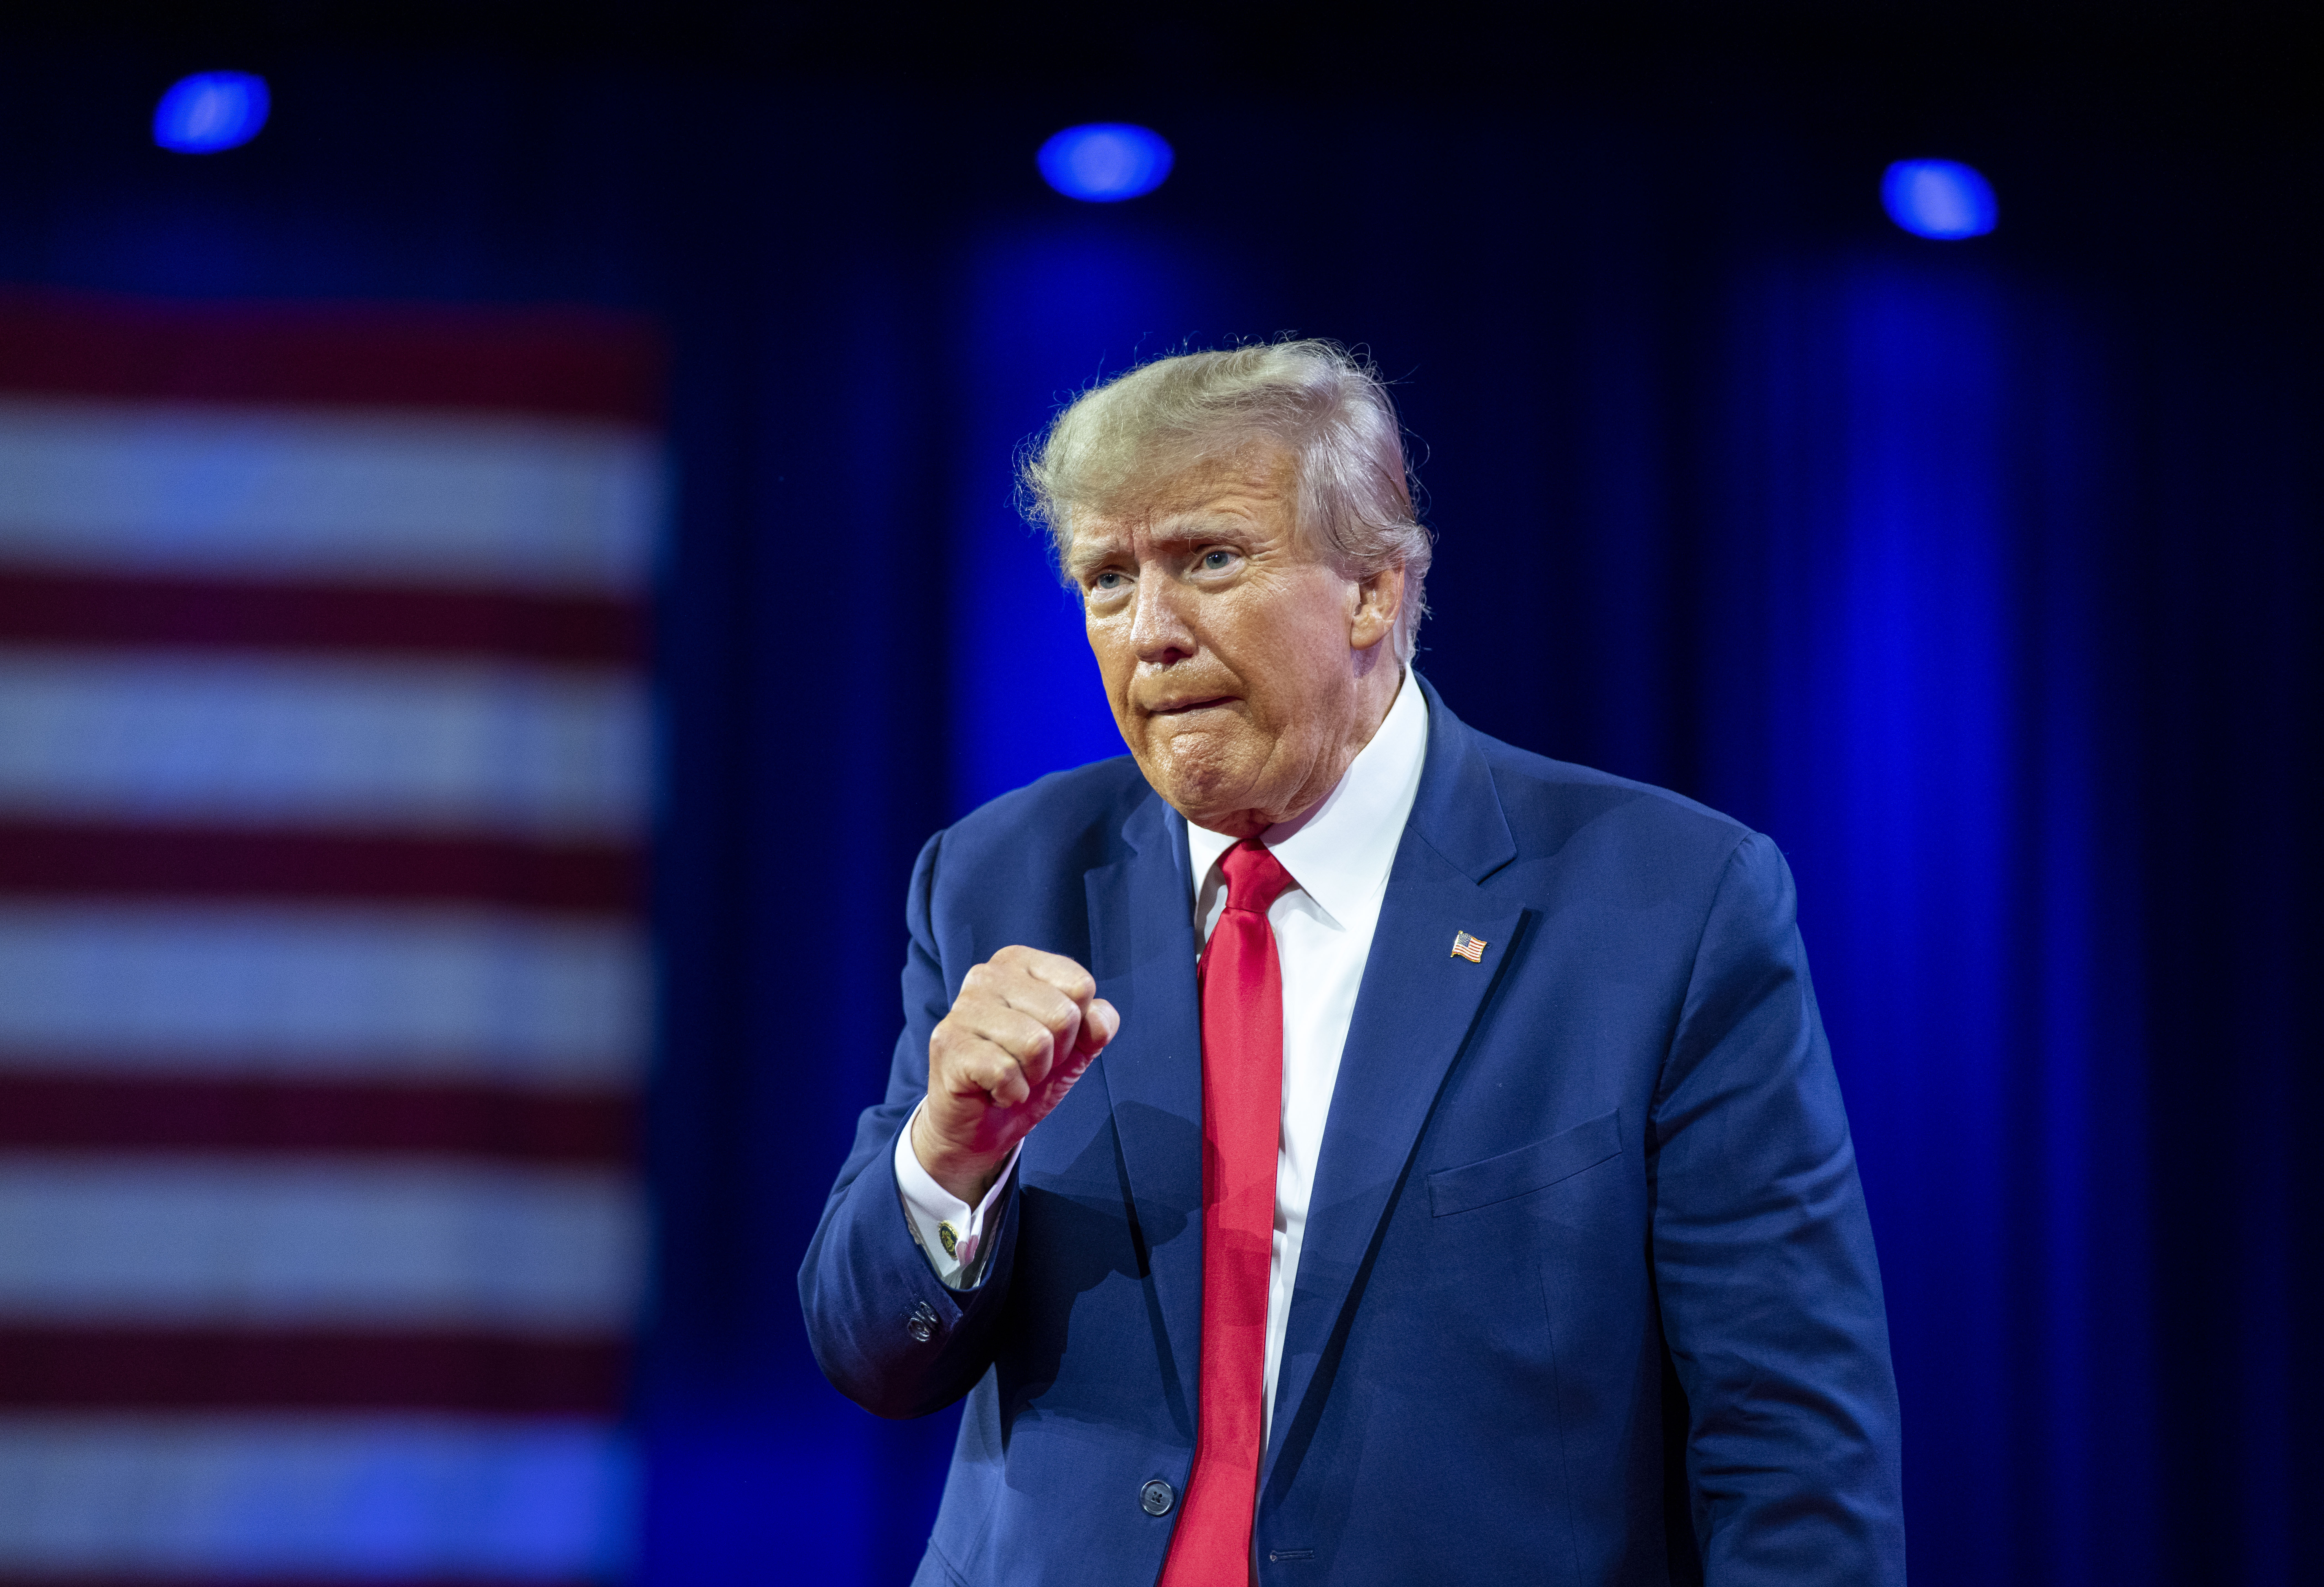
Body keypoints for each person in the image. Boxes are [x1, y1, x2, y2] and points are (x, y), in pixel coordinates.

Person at [799, 341, 1904, 1585]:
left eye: (1210, 559)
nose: (1151, 633)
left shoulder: (1669, 904)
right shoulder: (1000, 876)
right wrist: (948, 1159)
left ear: (1375, 587)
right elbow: (871, 1351)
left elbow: (1794, 1444)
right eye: (1107, 579)